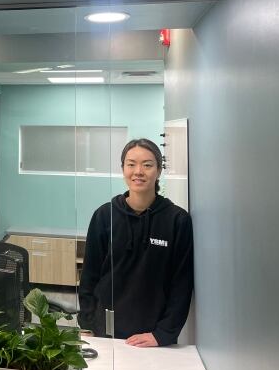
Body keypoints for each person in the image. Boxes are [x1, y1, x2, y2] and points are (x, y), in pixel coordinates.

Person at [77, 138, 193, 347]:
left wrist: (162, 333)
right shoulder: (105, 215)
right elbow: (89, 276)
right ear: (123, 169)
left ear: (158, 171)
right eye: (131, 164)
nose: (138, 171)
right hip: (105, 332)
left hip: (153, 338)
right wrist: (87, 325)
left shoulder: (178, 220)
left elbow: (181, 284)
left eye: (147, 165)